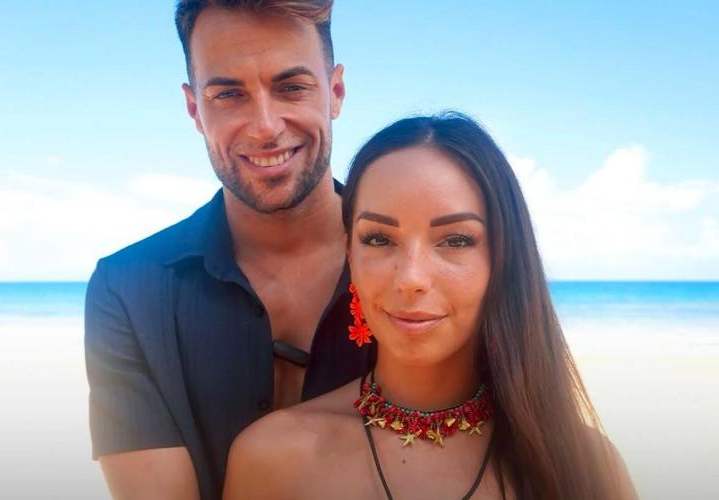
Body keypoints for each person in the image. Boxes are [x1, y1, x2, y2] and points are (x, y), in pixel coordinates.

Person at [223, 112, 638, 499]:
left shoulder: (583, 465)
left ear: (503, 259)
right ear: (350, 254)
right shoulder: (272, 461)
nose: (411, 278)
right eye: (379, 239)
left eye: (455, 240)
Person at [84, 1, 367, 499]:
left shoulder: (419, 273)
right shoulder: (127, 291)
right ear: (195, 110)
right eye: (229, 94)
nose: (265, 126)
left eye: (291, 87)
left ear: (335, 92)